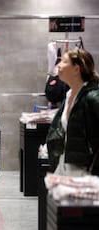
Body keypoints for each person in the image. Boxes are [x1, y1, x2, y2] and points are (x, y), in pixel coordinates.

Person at [46, 48, 99, 176]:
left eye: (64, 61)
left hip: (85, 172)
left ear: (76, 69)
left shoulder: (92, 96)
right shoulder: (70, 95)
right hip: (65, 166)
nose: (58, 65)